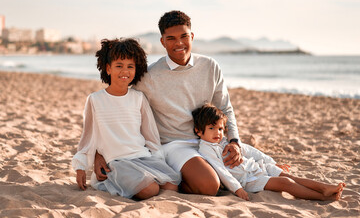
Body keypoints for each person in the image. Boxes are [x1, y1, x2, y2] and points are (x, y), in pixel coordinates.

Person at [93, 10, 242, 195]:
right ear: (162, 41)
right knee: (210, 185)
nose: (179, 43)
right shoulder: (148, 76)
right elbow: (118, 109)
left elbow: (225, 108)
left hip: (209, 139)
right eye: (171, 38)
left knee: (252, 170)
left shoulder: (210, 66)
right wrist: (98, 153)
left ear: (192, 36)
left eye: (184, 36)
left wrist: (235, 141)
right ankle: (183, 180)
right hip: (174, 145)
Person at [72, 38, 180, 200]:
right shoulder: (95, 100)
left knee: (172, 185)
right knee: (150, 190)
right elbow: (88, 137)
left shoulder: (139, 98)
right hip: (117, 161)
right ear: (108, 69)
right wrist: (81, 167)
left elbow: (150, 135)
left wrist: (158, 160)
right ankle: (111, 181)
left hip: (142, 157)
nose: (125, 71)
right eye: (119, 66)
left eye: (130, 66)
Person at [193, 103, 346, 201]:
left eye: (220, 129)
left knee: (289, 176)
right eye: (211, 128)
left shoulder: (224, 141)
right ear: (199, 131)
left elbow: (249, 150)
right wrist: (237, 189)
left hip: (258, 166)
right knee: (285, 183)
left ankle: (324, 187)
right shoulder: (206, 149)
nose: (218, 133)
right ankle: (321, 197)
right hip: (248, 180)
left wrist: (270, 162)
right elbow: (221, 171)